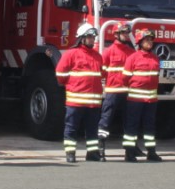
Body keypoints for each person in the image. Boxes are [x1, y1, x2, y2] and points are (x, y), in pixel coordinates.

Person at [55, 22, 104, 162]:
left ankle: (92, 153)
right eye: (89, 37)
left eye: (93, 37)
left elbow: (100, 75)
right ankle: (70, 153)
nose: (92, 40)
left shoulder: (97, 56)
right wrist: (71, 85)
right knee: (71, 128)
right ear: (81, 38)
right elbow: (60, 73)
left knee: (92, 129)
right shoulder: (71, 54)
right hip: (76, 101)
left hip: (94, 103)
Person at [121, 28, 162, 162]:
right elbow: (125, 78)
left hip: (151, 100)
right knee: (132, 126)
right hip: (135, 99)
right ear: (140, 42)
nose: (150, 43)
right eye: (147, 40)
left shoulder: (155, 58)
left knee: (150, 126)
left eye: (151, 40)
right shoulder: (132, 58)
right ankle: (129, 153)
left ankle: (151, 152)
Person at [98, 22, 134, 159]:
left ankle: (130, 151)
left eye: (127, 32)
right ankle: (101, 148)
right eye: (123, 32)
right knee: (105, 120)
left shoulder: (131, 52)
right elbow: (102, 71)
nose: (126, 35)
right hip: (112, 92)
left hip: (128, 92)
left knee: (130, 122)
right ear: (116, 34)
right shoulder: (109, 52)